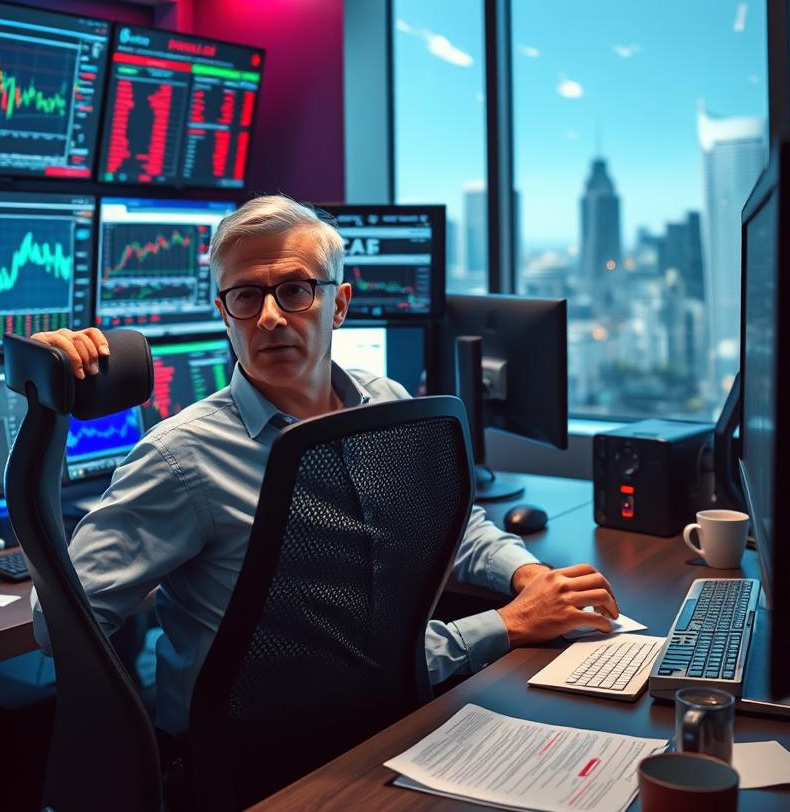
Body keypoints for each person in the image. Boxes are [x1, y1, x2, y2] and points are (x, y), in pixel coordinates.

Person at [31, 195, 619, 739]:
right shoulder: (181, 458)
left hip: (393, 716)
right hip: (266, 758)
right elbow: (59, 626)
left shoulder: (386, 403)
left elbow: (451, 521)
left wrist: (527, 575)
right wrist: (506, 625)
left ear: (338, 304)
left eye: (295, 290)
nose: (268, 317)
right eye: (245, 296)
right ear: (225, 314)